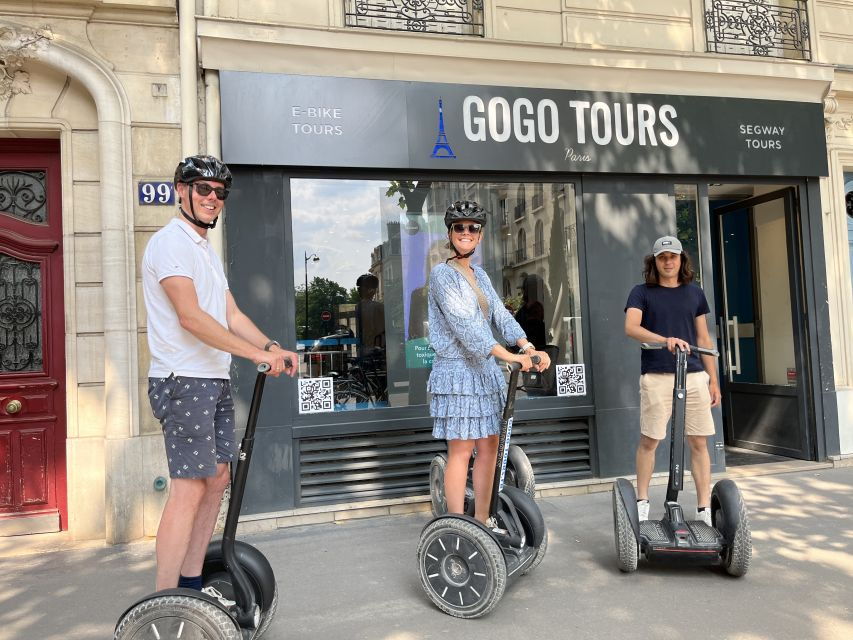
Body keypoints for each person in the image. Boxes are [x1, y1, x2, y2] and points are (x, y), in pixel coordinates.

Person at [142, 155, 298, 599]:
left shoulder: (203, 250)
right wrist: (252, 355)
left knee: (217, 481)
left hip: (212, 379)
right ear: (181, 190)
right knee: (189, 490)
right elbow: (190, 318)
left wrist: (270, 347)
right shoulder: (169, 243)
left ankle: (192, 584)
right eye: (204, 189)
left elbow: (230, 314)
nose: (213, 198)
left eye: (220, 192)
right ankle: (165, 598)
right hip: (183, 379)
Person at [428, 200, 551, 524]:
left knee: (491, 446)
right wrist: (510, 356)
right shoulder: (442, 275)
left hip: (484, 372)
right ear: (450, 233)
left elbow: (499, 313)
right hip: (457, 372)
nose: (466, 232)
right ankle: (457, 527)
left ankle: (482, 521)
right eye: (459, 227)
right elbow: (466, 327)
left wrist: (527, 345)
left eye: (473, 228)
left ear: (480, 236)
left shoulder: (479, 275)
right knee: (462, 449)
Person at [624, 235, 721, 526]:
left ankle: (703, 507)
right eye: (663, 257)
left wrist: (713, 381)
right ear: (654, 262)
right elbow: (631, 327)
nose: (668, 261)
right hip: (657, 376)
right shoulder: (641, 292)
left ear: (681, 260)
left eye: (673, 256)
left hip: (694, 376)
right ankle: (642, 501)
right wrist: (664, 340)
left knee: (699, 442)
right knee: (650, 440)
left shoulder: (694, 294)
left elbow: (703, 337)